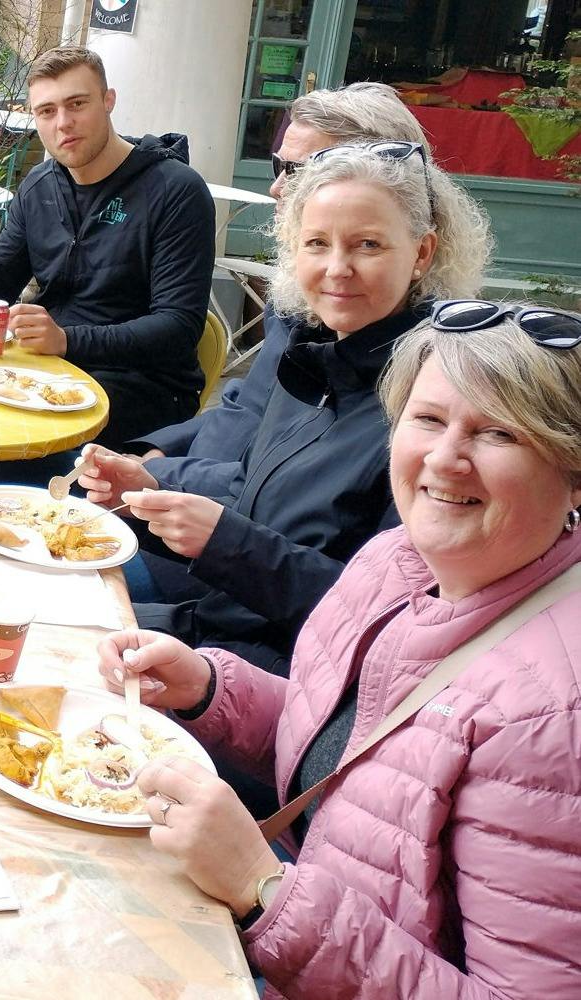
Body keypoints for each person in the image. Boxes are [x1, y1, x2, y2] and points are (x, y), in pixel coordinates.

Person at [99, 304, 581, 997]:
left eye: (498, 432)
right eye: (428, 419)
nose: (444, 459)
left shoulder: (550, 719)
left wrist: (261, 888)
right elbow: (357, 759)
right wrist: (209, 688)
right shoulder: (396, 560)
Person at [80, 143, 491, 675]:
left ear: (422, 253)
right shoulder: (315, 359)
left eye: (367, 245)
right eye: (317, 243)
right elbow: (253, 494)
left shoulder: (438, 404)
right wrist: (144, 496)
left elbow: (393, 616)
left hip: (294, 679)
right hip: (213, 632)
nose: (337, 269)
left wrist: (226, 543)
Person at [0, 45, 215, 448]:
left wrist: (68, 340)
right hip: (48, 373)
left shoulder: (175, 191)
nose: (63, 123)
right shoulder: (39, 187)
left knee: (1, 438)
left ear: (108, 101)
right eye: (47, 111)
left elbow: (178, 327)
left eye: (77, 104)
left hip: (145, 387)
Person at [131, 83, 427, 480]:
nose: (276, 188)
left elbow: (282, 487)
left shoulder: (417, 363)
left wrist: (164, 476)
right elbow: (248, 407)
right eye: (279, 166)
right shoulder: (299, 296)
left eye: (299, 172)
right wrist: (157, 451)